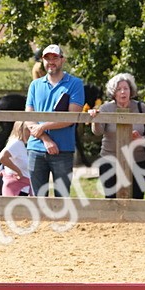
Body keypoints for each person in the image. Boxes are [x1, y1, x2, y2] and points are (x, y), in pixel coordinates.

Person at [24, 44, 85, 197]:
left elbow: (72, 117)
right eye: (47, 58)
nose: (51, 62)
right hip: (36, 148)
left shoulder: (75, 84)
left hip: (63, 149)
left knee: (62, 198)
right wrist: (45, 138)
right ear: (42, 61)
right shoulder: (35, 85)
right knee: (38, 199)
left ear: (62, 60)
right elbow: (28, 117)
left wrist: (42, 127)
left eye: (55, 58)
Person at [88, 72, 145, 198]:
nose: (123, 92)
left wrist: (142, 139)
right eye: (119, 89)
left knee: (136, 200)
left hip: (138, 161)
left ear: (131, 90)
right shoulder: (105, 108)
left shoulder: (141, 107)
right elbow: (98, 132)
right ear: (113, 92)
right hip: (110, 161)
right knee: (111, 201)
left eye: (126, 88)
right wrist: (95, 119)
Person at [0, 123, 32, 196]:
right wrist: (18, 171)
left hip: (22, 187)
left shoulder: (22, 144)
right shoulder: (17, 143)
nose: (31, 132)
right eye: (28, 129)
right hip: (17, 188)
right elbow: (2, 157)